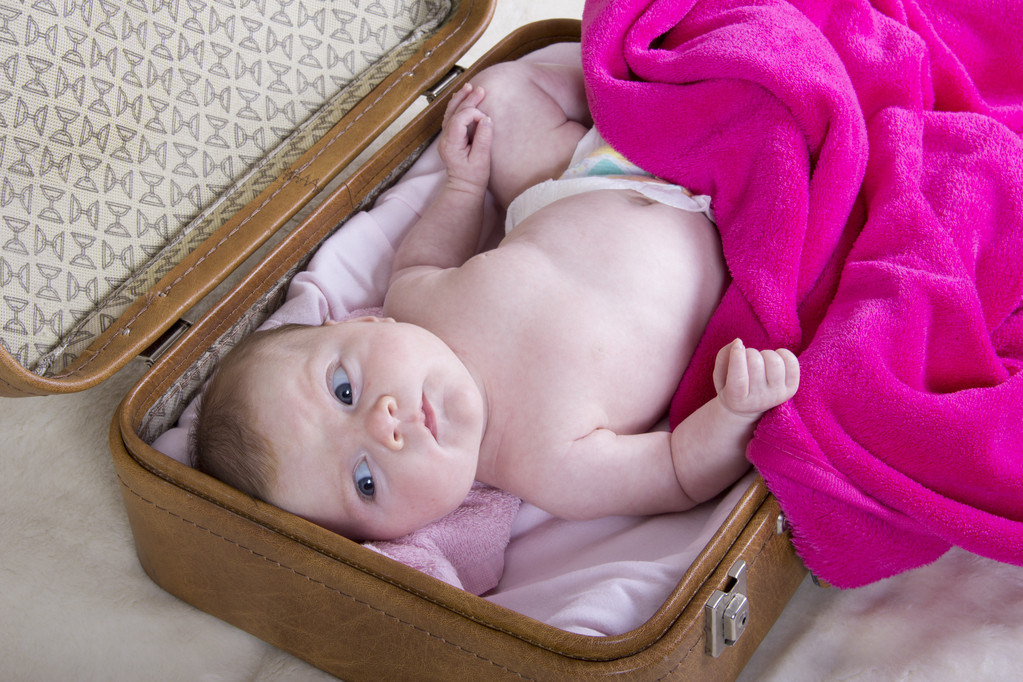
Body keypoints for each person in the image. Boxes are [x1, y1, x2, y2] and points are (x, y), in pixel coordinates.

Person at [192, 58, 799, 542]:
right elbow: (675, 472)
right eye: (366, 480)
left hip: (595, 176)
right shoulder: (551, 468)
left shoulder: (415, 305)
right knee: (788, 149)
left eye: (344, 389)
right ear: (401, 535)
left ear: (363, 323)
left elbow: (426, 254)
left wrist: (464, 183)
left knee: (497, 97)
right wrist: (734, 412)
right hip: (733, 242)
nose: (384, 426)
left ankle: (629, 77)